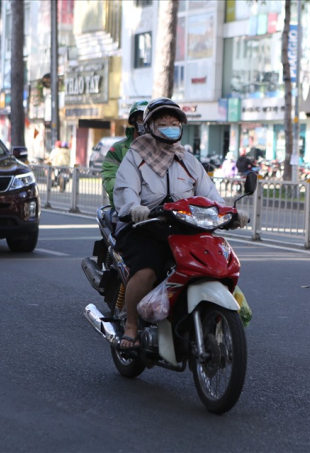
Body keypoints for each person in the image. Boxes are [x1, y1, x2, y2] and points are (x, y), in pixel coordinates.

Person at [113, 97, 250, 350]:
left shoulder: (188, 160)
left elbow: (211, 195)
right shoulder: (134, 157)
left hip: (183, 228)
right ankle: (132, 325)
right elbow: (126, 190)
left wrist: (231, 213)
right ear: (150, 126)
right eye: (163, 122)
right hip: (144, 227)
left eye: (174, 122)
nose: (169, 125)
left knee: (211, 264)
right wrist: (135, 208)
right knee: (147, 270)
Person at [101, 100, 148, 208]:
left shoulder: (160, 148)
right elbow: (109, 178)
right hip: (124, 207)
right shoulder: (118, 149)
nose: (145, 123)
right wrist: (126, 195)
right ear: (133, 121)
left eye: (148, 119)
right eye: (141, 119)